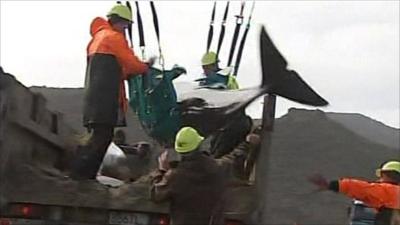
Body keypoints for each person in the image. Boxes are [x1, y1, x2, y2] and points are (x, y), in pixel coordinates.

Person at [70, 3, 154, 180]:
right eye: (126, 25)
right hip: (105, 99)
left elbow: (115, 70)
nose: (125, 29)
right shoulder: (114, 38)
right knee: (101, 138)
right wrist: (146, 66)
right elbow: (132, 64)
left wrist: (131, 71)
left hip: (93, 100)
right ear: (120, 22)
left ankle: (83, 175)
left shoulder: (97, 39)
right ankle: (81, 176)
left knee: (98, 137)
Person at [150, 126, 261, 225]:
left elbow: (156, 195)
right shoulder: (217, 168)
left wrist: (161, 171)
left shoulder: (175, 177)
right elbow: (234, 157)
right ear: (199, 145)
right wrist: (248, 143)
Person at [308, 160, 400, 225]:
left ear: (386, 175)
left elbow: (360, 188)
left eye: (381, 175)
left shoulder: (389, 191)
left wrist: (332, 185)